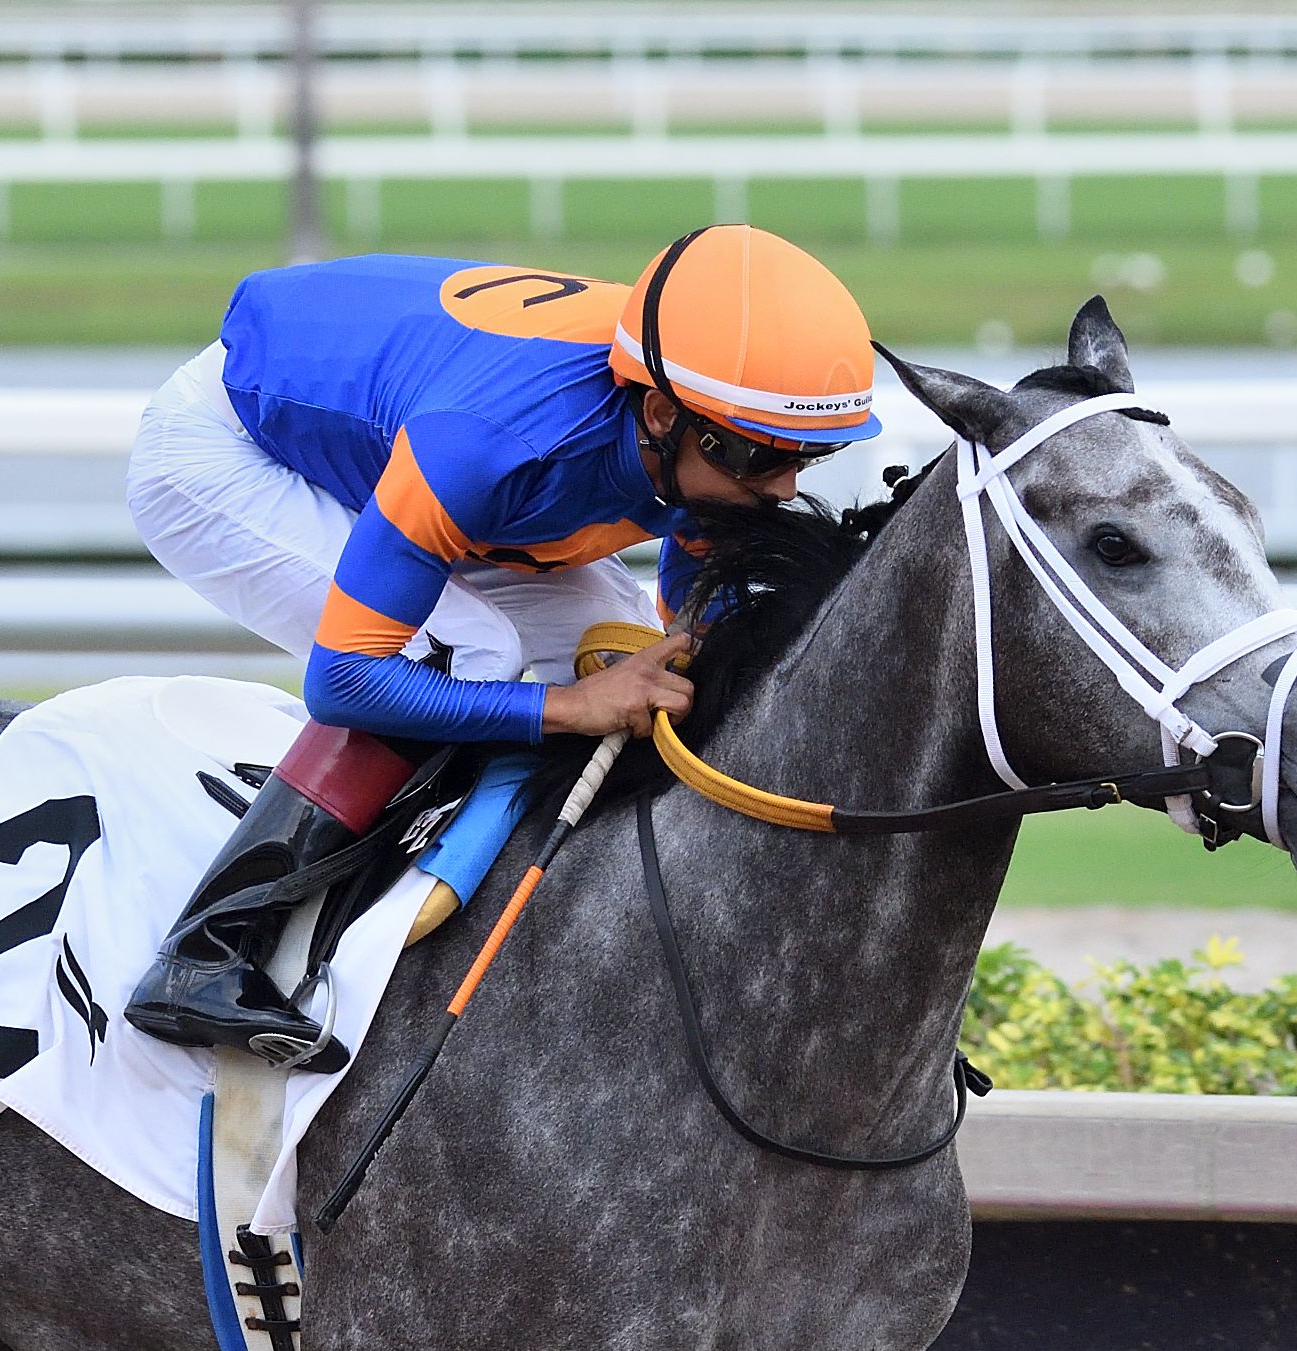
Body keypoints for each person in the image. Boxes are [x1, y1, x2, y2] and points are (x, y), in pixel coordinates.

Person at [121, 224, 878, 1070]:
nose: (782, 488)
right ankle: (209, 950)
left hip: (413, 418)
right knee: (475, 649)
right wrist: (570, 708)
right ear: (661, 416)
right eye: (756, 457)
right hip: (229, 448)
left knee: (616, 641)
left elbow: (686, 600)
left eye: (808, 458)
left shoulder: (701, 426)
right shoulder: (488, 444)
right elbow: (343, 680)